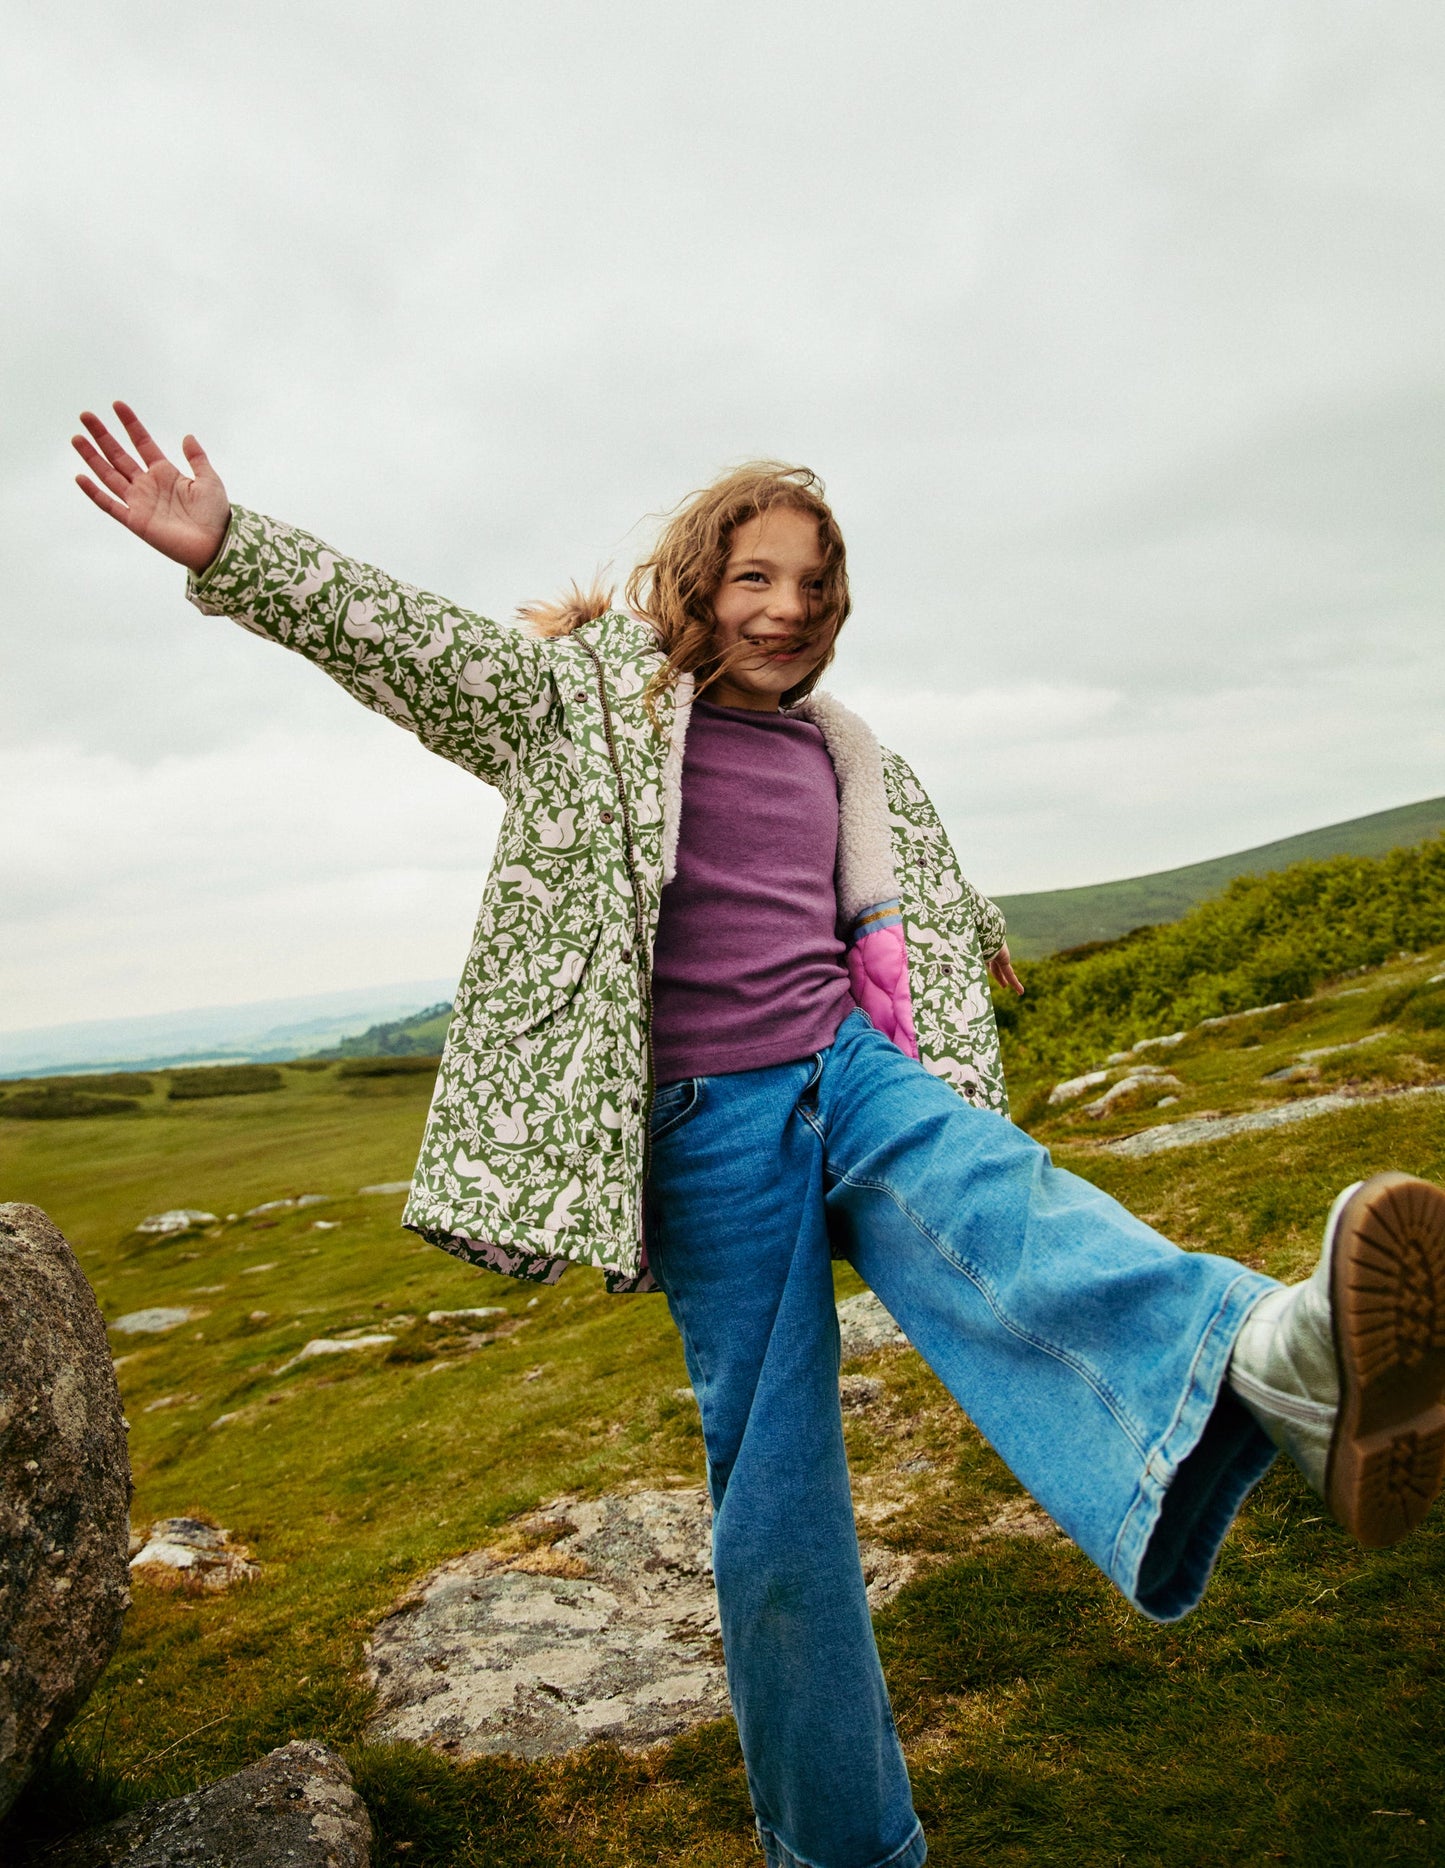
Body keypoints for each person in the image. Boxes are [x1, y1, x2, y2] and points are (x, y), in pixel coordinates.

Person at [74, 402, 1445, 1868]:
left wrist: (960, 934)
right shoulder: (581, 704)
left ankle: (1266, 1359)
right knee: (779, 1510)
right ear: (694, 581)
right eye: (757, 578)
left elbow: (895, 880)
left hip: (848, 1070)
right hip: (704, 1127)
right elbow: (408, 640)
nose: (789, 608)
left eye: (814, 585)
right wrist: (228, 546)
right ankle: (844, 1847)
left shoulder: (841, 754)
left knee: (1009, 1198)